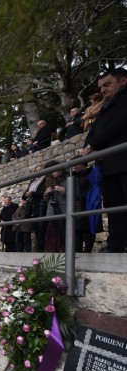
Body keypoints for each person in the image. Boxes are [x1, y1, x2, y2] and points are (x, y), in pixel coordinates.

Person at [83, 68, 127, 253]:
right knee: (114, 205)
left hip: (123, 159)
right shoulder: (106, 106)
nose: (103, 90)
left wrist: (94, 144)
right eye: (101, 87)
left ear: (123, 81)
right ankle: (116, 244)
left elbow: (121, 122)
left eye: (107, 84)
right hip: (109, 164)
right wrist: (87, 147)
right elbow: (94, 130)